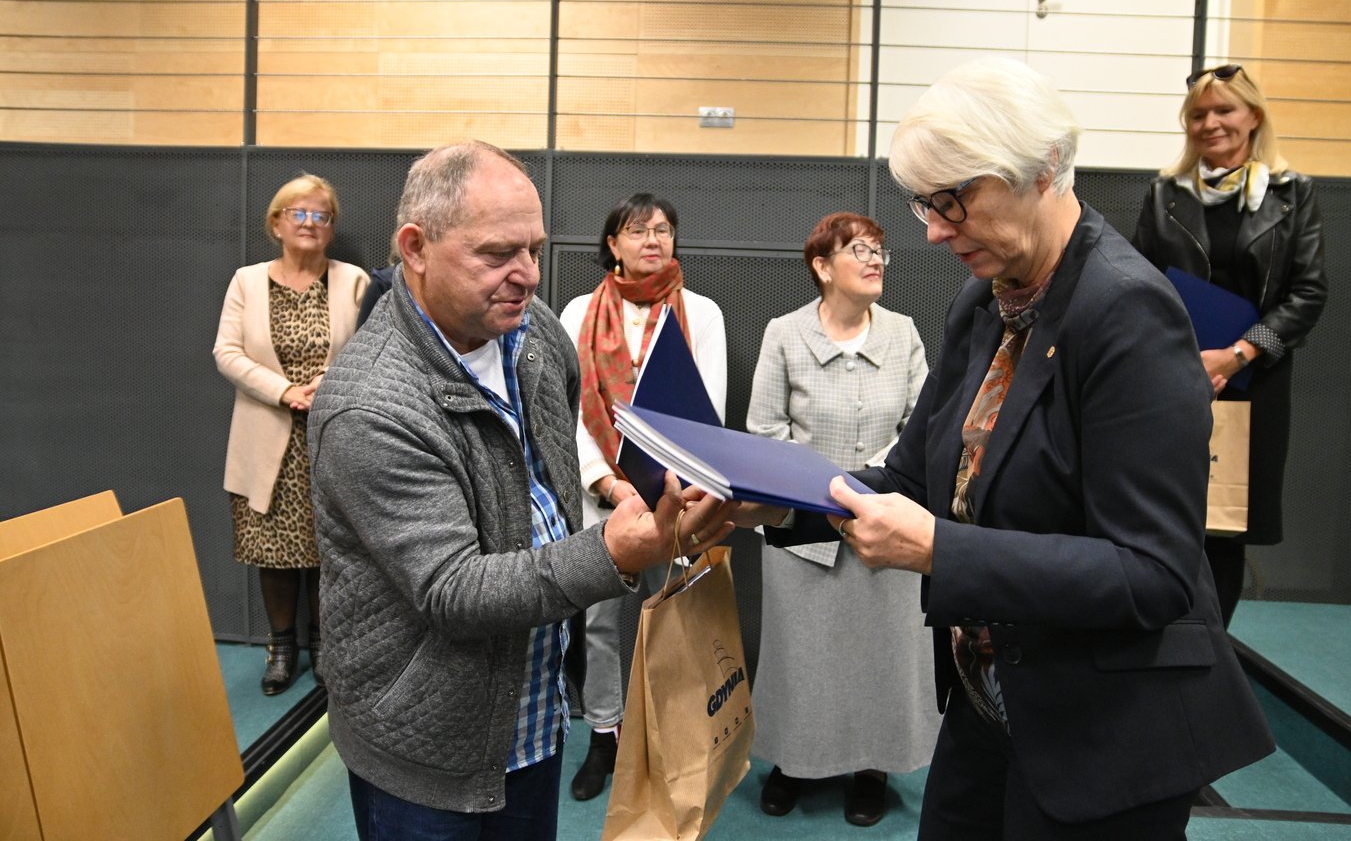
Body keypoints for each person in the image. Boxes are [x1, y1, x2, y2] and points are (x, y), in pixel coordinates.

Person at [733, 58, 1274, 840]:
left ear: (1042, 168)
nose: (933, 230)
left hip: (1100, 733)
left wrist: (941, 551)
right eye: (926, 203)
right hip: (991, 701)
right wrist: (774, 503)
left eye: (954, 199)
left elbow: (1152, 575)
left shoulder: (1129, 313)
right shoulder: (985, 301)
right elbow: (910, 478)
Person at [307, 140, 734, 841]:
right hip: (429, 751)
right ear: (415, 248)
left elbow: (549, 471)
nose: (528, 275)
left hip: (532, 717)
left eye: (534, 249)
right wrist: (612, 552)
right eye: (497, 253)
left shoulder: (530, 332)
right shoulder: (371, 407)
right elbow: (453, 590)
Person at [745, 211, 937, 827]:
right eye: (860, 250)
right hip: (803, 527)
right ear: (823, 267)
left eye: (880, 250)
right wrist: (822, 491)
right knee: (801, 658)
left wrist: (868, 485)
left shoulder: (904, 333)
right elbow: (765, 432)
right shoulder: (783, 333)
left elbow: (921, 428)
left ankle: (873, 770)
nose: (876, 260)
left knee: (882, 657)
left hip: (888, 521)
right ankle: (795, 762)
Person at [1133, 64, 1328, 628]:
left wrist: (1240, 353)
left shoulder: (1292, 193)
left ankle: (1211, 647)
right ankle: (1165, 637)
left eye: (1224, 110)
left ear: (1254, 116)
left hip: (1253, 384)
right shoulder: (1165, 195)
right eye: (1198, 114)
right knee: (1166, 514)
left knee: (1224, 529)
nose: (1210, 123)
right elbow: (1139, 284)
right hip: (1175, 376)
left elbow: (1308, 292)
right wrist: (1181, 358)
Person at [557, 192, 728, 801]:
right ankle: (604, 734)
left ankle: (669, 739)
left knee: (676, 619)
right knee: (598, 624)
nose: (653, 240)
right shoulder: (578, 311)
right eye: (637, 230)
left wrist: (666, 487)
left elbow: (705, 412)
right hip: (599, 498)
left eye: (663, 229)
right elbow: (568, 407)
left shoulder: (701, 312)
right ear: (613, 244)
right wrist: (606, 480)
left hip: (676, 500)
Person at [214, 173, 368, 695]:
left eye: (320, 215)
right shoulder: (246, 282)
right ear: (276, 223)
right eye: (298, 213)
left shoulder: (353, 281)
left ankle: (326, 645)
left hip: (333, 437)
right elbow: (226, 352)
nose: (309, 223)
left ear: (331, 227)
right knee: (274, 552)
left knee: (332, 549)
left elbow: (372, 347)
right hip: (268, 439)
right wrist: (284, 392)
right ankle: (282, 647)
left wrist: (327, 384)